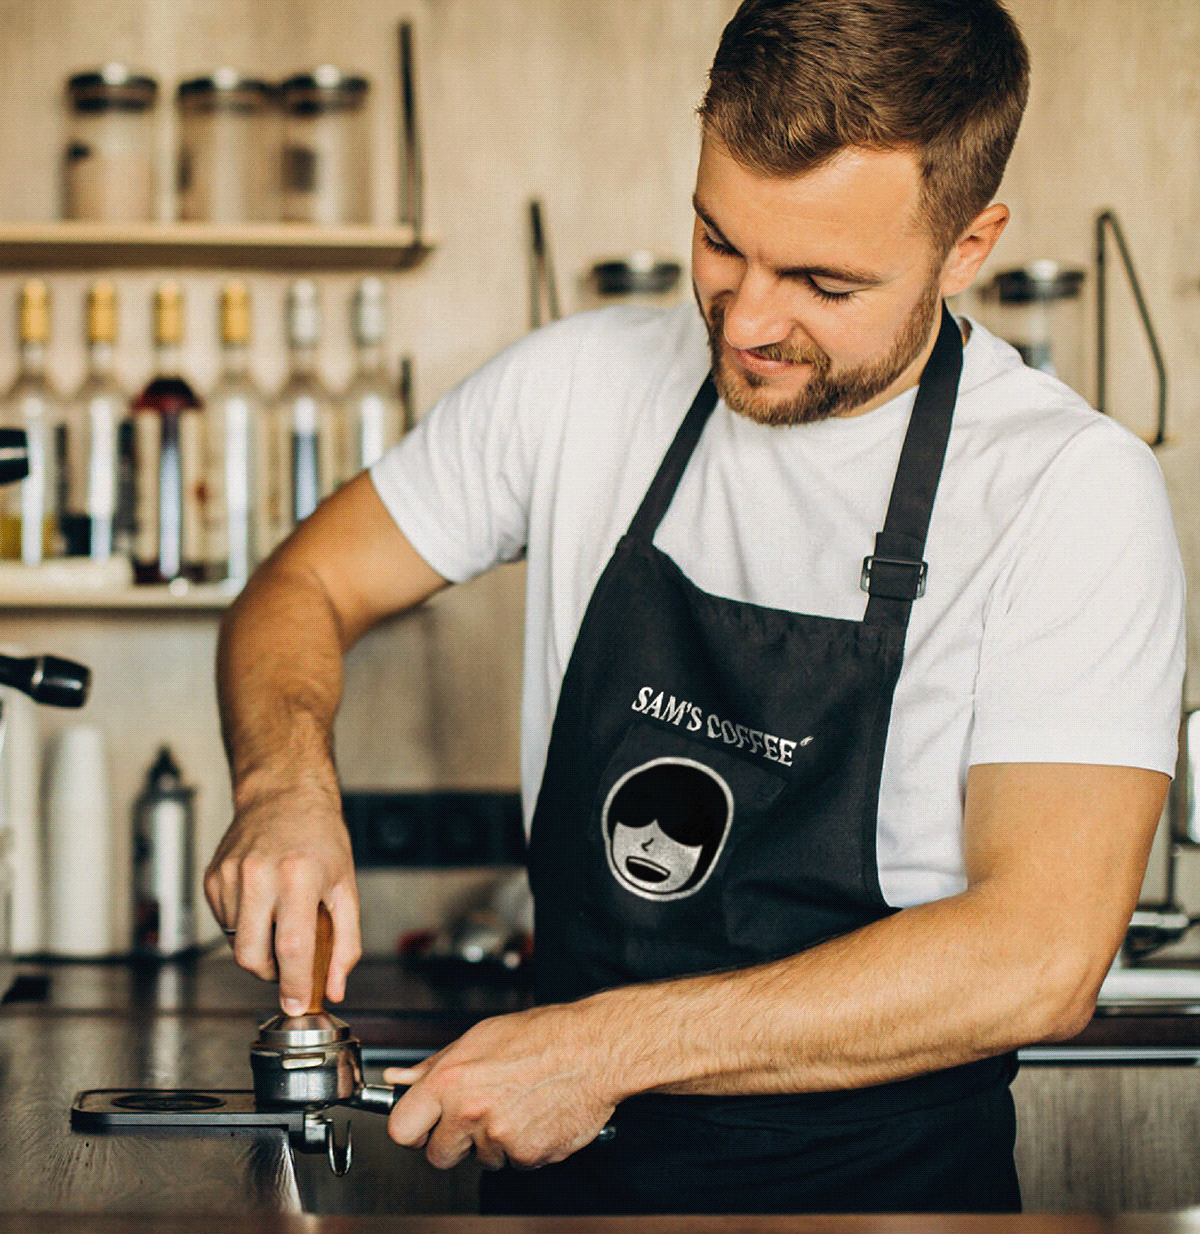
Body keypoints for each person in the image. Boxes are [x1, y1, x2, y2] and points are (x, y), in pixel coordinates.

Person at [203, 0, 1186, 1215]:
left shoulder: (1064, 488)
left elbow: (1038, 956)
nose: (751, 318)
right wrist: (283, 782)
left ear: (967, 243)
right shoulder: (578, 389)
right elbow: (303, 583)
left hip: (885, 1195)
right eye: (722, 243)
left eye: (824, 279)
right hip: (558, 1178)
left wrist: (608, 1049)